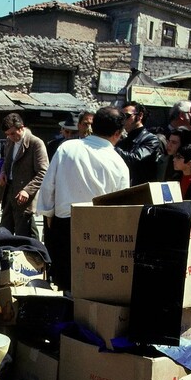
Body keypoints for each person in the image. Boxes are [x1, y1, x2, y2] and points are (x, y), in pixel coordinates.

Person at [36, 106, 129, 291]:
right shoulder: (119, 164)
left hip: (64, 224)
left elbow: (48, 187)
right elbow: (121, 207)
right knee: (92, 284)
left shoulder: (67, 148)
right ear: (117, 133)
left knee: (65, 281)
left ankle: (65, 316)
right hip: (99, 231)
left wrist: (48, 217)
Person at [0, 112, 48, 239]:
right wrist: (3, 172)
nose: (10, 137)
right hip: (9, 193)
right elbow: (7, 161)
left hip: (24, 198)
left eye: (13, 133)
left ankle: (35, 257)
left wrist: (27, 191)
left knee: (25, 236)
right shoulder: (10, 142)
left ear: (22, 127)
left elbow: (43, 172)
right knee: (4, 233)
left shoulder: (35, 143)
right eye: (8, 134)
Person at [115, 101, 163, 185]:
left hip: (142, 190)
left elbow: (135, 159)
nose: (123, 121)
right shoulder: (123, 141)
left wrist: (112, 149)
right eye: (121, 117)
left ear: (140, 116)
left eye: (127, 116)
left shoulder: (151, 139)